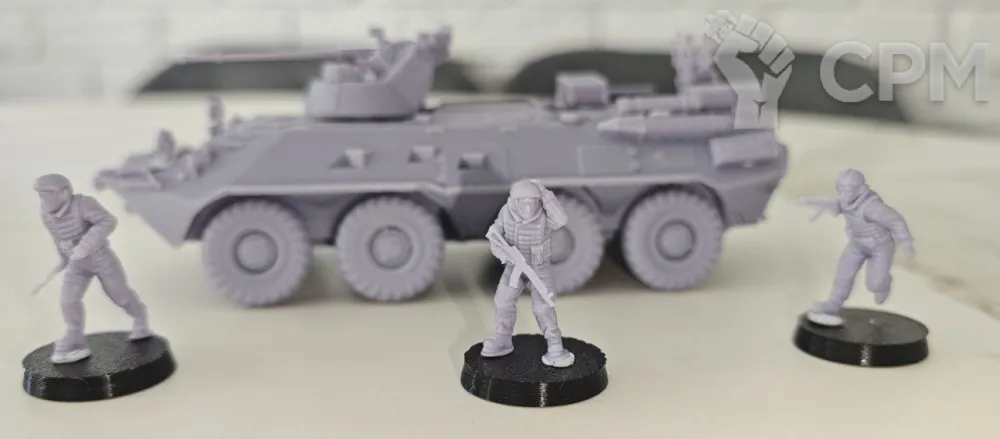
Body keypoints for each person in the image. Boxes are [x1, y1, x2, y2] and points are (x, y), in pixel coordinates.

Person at [34, 173, 152, 363]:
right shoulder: (46, 214)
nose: (43, 198)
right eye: (41, 194)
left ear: (64, 192)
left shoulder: (83, 204)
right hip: (76, 263)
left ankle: (140, 318)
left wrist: (85, 245)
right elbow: (59, 238)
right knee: (68, 301)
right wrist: (63, 259)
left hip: (100, 258)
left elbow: (108, 221)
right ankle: (75, 338)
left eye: (47, 193)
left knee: (120, 295)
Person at [798, 169, 916, 326]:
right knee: (843, 275)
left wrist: (906, 242)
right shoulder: (847, 201)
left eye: (846, 191)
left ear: (860, 190)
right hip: (857, 245)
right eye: (840, 190)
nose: (842, 195)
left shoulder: (872, 208)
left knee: (874, 284)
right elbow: (836, 206)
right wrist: (813, 202)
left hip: (879, 248)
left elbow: (896, 222)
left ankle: (884, 283)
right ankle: (833, 304)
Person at [482, 179, 575, 367]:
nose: (528, 206)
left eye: (532, 201)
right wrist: (503, 255)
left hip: (539, 268)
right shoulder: (506, 212)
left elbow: (561, 220)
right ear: (514, 201)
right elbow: (495, 236)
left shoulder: (544, 214)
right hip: (513, 267)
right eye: (523, 201)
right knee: (503, 301)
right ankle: (503, 340)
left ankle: (555, 344)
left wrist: (544, 192)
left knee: (543, 306)